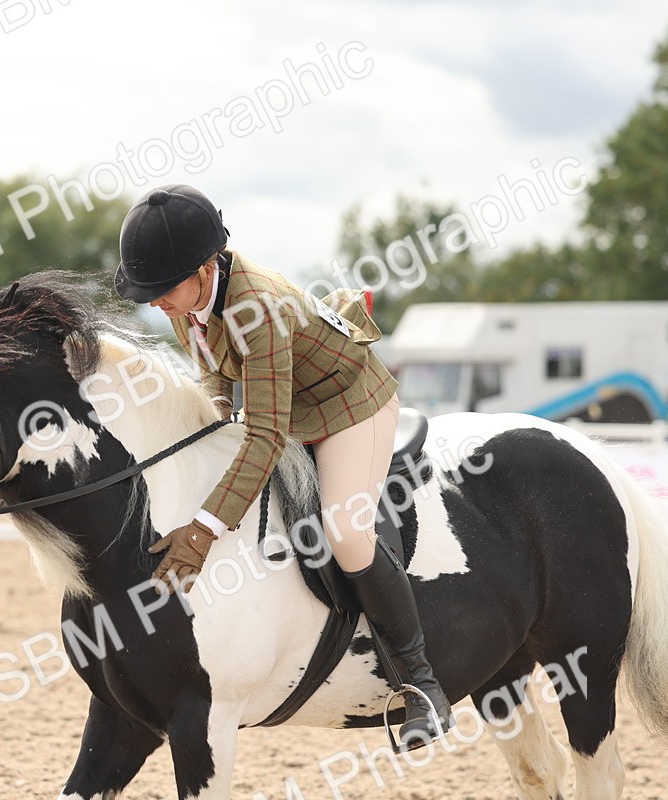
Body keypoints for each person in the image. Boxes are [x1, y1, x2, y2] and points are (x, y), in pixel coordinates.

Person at [112, 184, 451, 749]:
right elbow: (217, 371)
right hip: (291, 407)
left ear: (203, 267)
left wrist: (200, 533)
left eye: (161, 289)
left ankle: (420, 683)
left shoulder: (259, 308)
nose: (154, 303)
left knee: (345, 534)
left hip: (347, 406)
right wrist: (215, 412)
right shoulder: (185, 298)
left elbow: (266, 437)